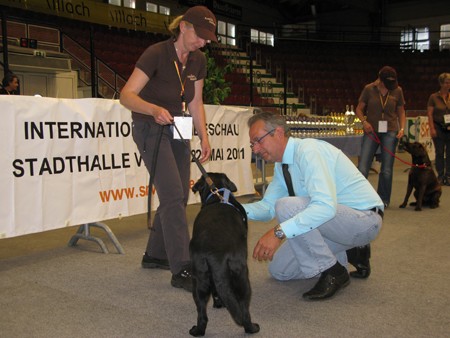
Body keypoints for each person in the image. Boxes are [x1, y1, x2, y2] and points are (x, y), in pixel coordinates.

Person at [119, 5, 217, 292]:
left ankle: (155, 254)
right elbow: (127, 95)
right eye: (200, 35)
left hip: (179, 129)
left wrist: (204, 136)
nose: (203, 43)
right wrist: (152, 109)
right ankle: (182, 267)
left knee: (179, 195)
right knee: (173, 194)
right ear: (184, 27)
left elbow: (196, 102)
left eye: (207, 39)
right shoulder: (156, 53)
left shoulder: (198, 61)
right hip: (151, 129)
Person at [243, 112, 384, 301]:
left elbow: (325, 207)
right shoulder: (282, 165)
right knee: (279, 270)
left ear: (277, 132)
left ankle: (333, 271)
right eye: (253, 144)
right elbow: (267, 208)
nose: (256, 149)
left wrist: (278, 233)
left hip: (364, 219)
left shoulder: (309, 151)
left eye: (258, 141)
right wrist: (230, 207)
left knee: (287, 206)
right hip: (336, 224)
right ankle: (353, 251)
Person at [355, 66, 406, 207]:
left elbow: (401, 112)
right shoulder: (369, 89)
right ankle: (359, 198)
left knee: (387, 169)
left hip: (390, 131)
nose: (390, 86)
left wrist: (401, 128)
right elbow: (359, 109)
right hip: (371, 131)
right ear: (380, 80)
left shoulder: (398, 90)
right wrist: (364, 122)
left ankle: (383, 200)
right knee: (363, 167)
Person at [427, 72, 450, 186]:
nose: (448, 84)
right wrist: (432, 128)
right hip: (438, 127)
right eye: (446, 82)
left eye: (449, 82)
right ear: (441, 83)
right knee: (439, 152)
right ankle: (440, 176)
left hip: (449, 128)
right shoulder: (433, 97)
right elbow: (430, 114)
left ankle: (449, 176)